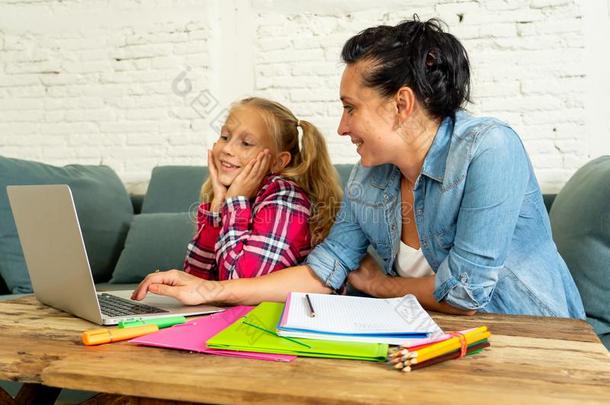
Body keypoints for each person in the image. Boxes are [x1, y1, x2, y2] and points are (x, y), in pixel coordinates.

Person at [133, 18, 585, 319]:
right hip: (430, 337)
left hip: (533, 339)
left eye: (351, 109)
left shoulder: (490, 149)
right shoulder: (372, 173)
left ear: (401, 105)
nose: (341, 126)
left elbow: (466, 295)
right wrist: (207, 291)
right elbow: (325, 272)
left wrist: (381, 286)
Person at [180, 97, 342, 281]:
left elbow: (239, 283)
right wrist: (218, 204)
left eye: (246, 143)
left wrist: (235, 202)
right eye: (225, 137)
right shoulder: (235, 195)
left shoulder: (287, 200)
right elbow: (195, 279)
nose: (227, 149)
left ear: (278, 162)